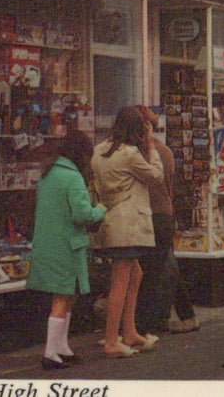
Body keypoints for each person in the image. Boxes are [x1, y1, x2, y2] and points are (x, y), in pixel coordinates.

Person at [26, 130, 106, 370]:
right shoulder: (73, 178)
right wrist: (101, 209)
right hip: (67, 245)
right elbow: (82, 214)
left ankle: (62, 347)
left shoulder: (49, 174)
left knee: (66, 295)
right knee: (63, 296)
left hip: (48, 243)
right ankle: (51, 352)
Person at [91, 106, 164, 358]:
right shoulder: (130, 154)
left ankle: (130, 331)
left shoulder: (99, 151)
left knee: (136, 274)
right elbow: (156, 175)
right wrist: (152, 147)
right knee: (120, 281)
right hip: (128, 224)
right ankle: (112, 340)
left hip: (111, 221)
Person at [135, 106, 199, 336]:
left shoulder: (143, 154)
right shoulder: (165, 152)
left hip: (152, 214)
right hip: (164, 213)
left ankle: (153, 321)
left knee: (153, 270)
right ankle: (185, 315)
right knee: (167, 265)